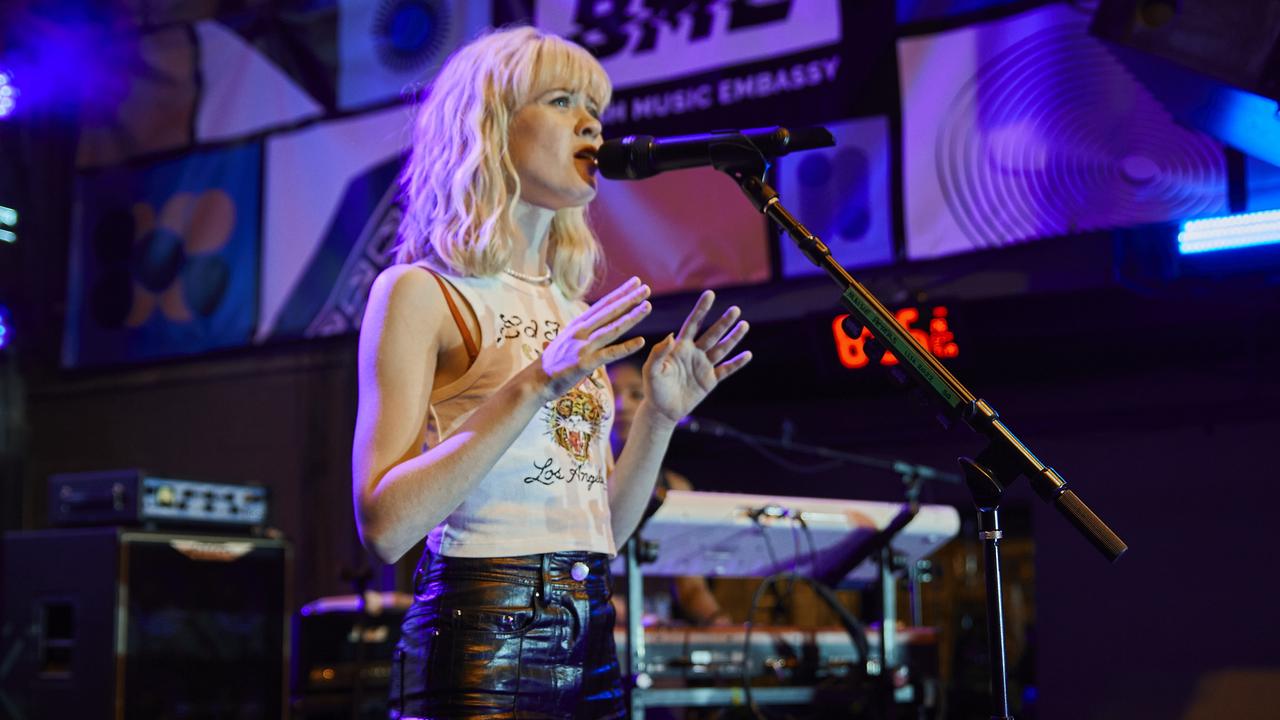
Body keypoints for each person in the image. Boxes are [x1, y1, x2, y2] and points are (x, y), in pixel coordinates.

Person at [350, 25, 751, 719]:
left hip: (594, 624)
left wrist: (657, 418)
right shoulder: (421, 291)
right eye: (562, 99)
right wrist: (536, 384)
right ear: (491, 125)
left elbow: (603, 532)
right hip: (484, 628)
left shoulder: (572, 305)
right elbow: (385, 526)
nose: (590, 121)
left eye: (594, 105)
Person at [608, 360, 733, 627]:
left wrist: (724, 627)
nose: (621, 405)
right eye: (610, 393)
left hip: (658, 633)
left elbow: (691, 588)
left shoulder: (675, 486)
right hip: (596, 627)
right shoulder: (579, 482)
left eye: (636, 394)